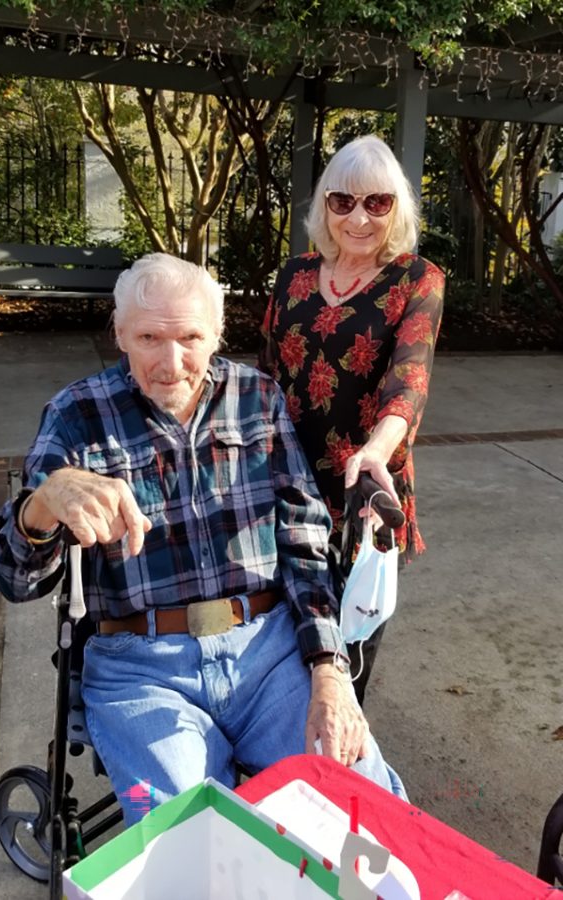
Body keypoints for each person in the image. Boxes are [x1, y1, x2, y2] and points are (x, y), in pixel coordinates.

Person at [0, 252, 406, 826]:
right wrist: (41, 504)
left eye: (189, 336)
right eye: (149, 337)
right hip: (141, 669)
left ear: (216, 334)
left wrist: (329, 669)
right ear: (119, 334)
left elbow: (306, 541)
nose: (171, 361)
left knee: (366, 802)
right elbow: (13, 578)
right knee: (186, 835)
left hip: (269, 652)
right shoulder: (75, 415)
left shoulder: (257, 398)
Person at [259, 135, 445, 705]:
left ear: (397, 208)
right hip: (283, 490)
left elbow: (409, 381)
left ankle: (331, 776)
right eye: (343, 202)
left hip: (362, 495)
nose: (359, 217)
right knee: (279, 653)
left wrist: (375, 451)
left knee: (344, 664)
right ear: (325, 206)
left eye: (377, 203)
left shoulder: (417, 280)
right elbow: (264, 376)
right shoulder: (293, 274)